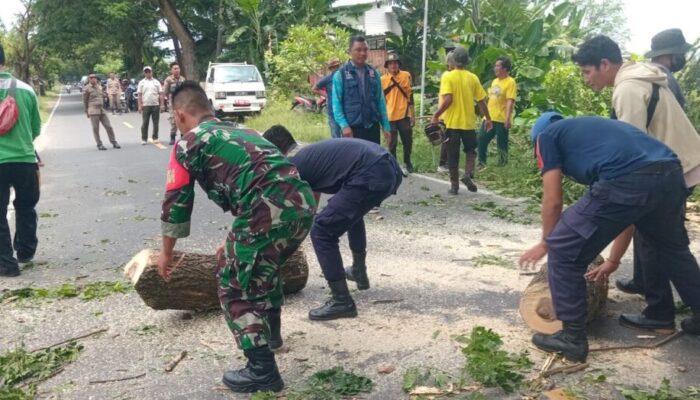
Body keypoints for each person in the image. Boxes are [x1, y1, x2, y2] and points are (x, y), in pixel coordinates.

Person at [157, 82, 315, 393]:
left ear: (179, 114)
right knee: (263, 271)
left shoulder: (188, 143)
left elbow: (176, 201)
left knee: (233, 284)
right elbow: (261, 180)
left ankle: (262, 371)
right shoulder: (248, 132)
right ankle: (272, 339)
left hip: (265, 210)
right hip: (303, 204)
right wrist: (238, 237)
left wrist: (166, 253)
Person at [520, 113, 700, 363]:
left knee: (563, 248)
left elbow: (553, 200)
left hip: (631, 179)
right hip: (670, 173)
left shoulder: (546, 137)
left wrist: (546, 242)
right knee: (672, 250)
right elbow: (626, 214)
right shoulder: (597, 135)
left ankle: (572, 339)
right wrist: (613, 260)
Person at [571, 35, 700, 299]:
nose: (586, 79)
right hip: (678, 164)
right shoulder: (641, 77)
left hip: (671, 168)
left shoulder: (628, 88)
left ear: (604, 64)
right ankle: (664, 310)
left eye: (587, 71)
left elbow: (631, 150)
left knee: (656, 240)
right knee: (667, 243)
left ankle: (659, 311)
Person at [263, 125, 402, 321]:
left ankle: (341, 300)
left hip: (371, 172)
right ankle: (358, 272)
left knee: (321, 231)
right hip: (388, 167)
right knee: (350, 213)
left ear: (274, 149)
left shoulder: (292, 165)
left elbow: (292, 212)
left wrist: (281, 244)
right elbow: (311, 202)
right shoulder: (309, 154)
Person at [0, 44, 41, 277]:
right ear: (4, 61)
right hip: (25, 159)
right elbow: (35, 128)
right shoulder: (26, 89)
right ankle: (25, 253)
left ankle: (6, 264)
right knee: (25, 206)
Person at [431, 46, 492, 194]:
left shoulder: (448, 76)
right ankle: (468, 174)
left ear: (453, 61)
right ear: (466, 61)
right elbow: (482, 101)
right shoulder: (473, 78)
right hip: (468, 123)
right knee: (471, 151)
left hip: (452, 123)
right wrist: (488, 119)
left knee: (453, 155)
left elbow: (448, 99)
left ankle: (454, 186)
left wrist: (436, 115)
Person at [332, 35, 391, 145]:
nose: (362, 53)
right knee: (354, 161)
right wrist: (344, 126)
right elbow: (336, 105)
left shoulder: (374, 73)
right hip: (352, 129)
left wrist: (386, 126)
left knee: (373, 160)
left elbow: (380, 101)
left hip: (372, 127)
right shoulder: (340, 75)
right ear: (349, 51)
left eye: (365, 50)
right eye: (358, 50)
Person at [477, 56, 517, 167]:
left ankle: (502, 165)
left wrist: (508, 118)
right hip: (489, 117)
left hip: (501, 118)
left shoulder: (510, 82)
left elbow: (510, 101)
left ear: (504, 69)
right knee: (481, 138)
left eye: (498, 66)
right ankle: (481, 163)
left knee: (502, 144)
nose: (495, 68)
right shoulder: (495, 81)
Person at [381, 53, 415, 174]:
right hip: (389, 116)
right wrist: (382, 119)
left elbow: (410, 96)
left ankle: (407, 161)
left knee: (408, 141)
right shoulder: (382, 80)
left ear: (399, 64)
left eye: (395, 63)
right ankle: (394, 164)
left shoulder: (406, 75)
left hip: (404, 114)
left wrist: (413, 115)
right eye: (391, 63)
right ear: (387, 66)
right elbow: (381, 100)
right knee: (392, 143)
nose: (393, 65)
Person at [646, 28, 691, 109]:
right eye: (681, 53)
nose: (682, 57)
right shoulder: (665, 78)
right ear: (671, 54)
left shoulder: (640, 73)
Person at [83, 73, 121, 151]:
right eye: (91, 78)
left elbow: (102, 95)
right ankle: (99, 144)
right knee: (95, 128)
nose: (93, 79)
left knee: (109, 126)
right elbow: (85, 101)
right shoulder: (86, 88)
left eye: (94, 78)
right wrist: (86, 111)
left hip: (101, 110)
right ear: (89, 79)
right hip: (93, 111)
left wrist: (105, 95)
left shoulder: (99, 87)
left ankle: (114, 142)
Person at [312, 58, 341, 138]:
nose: (337, 68)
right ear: (331, 69)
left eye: (338, 66)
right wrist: (326, 95)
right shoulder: (328, 79)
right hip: (332, 110)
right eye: (334, 67)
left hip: (344, 111)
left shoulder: (344, 78)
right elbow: (314, 88)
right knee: (335, 135)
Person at [137, 66, 163, 145]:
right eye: (146, 72)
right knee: (145, 123)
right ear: (144, 73)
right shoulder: (141, 82)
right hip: (146, 105)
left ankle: (155, 137)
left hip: (155, 104)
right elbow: (139, 95)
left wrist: (162, 105)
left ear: (151, 72)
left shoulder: (156, 82)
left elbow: (161, 94)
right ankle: (144, 138)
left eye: (149, 71)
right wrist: (139, 105)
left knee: (156, 123)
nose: (148, 73)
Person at [162, 62, 186, 145]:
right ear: (171, 70)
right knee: (173, 120)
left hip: (182, 103)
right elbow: (165, 92)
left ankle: (183, 136)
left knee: (183, 119)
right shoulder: (168, 80)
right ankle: (172, 137)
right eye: (175, 68)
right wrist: (164, 102)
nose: (177, 70)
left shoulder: (183, 79)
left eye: (178, 68)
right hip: (173, 103)